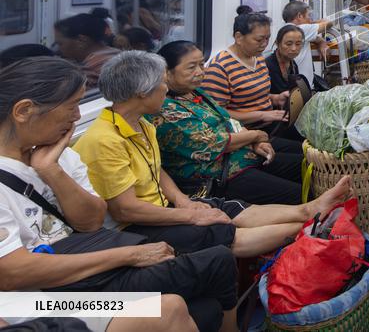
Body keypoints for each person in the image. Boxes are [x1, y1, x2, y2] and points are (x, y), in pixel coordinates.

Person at [0, 57, 240, 332]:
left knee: (206, 303)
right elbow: (12, 273)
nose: (78, 116)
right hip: (38, 299)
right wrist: (130, 256)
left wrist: (51, 171)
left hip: (84, 264)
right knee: (171, 306)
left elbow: (90, 223)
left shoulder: (56, 156)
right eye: (71, 106)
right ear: (24, 111)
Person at [73, 52, 352, 258]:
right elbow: (126, 209)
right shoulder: (104, 140)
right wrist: (190, 216)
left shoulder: (142, 123)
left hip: (167, 205)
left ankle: (308, 211)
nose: (165, 89)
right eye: (160, 84)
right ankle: (310, 226)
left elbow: (156, 170)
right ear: (140, 92)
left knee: (229, 209)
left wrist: (183, 202)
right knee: (222, 228)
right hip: (138, 224)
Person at [157, 41, 303, 205]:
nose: (200, 72)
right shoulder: (166, 109)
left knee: (304, 165)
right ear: (166, 73)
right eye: (191, 67)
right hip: (219, 177)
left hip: (244, 156)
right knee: (299, 193)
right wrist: (256, 135)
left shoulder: (195, 92)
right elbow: (215, 143)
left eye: (201, 65)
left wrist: (254, 142)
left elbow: (228, 120)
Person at [201, 12, 292, 134]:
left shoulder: (258, 58)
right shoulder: (219, 67)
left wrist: (276, 99)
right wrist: (262, 115)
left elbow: (251, 97)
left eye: (268, 38)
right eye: (259, 39)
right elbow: (217, 113)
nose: (265, 44)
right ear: (238, 37)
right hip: (246, 131)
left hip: (269, 123)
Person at [53, 14, 120, 88]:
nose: (57, 49)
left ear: (81, 40)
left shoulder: (91, 71)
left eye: (60, 44)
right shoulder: (118, 55)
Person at [275, 1, 331, 86]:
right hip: (299, 88)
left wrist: (321, 42)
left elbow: (314, 38)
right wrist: (312, 23)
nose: (310, 19)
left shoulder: (284, 29)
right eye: (309, 15)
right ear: (299, 16)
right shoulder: (301, 28)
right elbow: (328, 23)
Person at [265, 24, 305, 96]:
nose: (294, 48)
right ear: (278, 43)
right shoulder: (267, 66)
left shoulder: (293, 65)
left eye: (298, 44)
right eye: (288, 44)